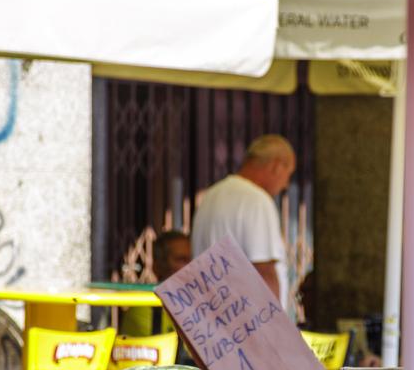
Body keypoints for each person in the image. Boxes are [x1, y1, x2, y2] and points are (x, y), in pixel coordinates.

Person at [192, 134, 296, 306]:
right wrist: (273, 329)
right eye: (288, 174)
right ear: (277, 166)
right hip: (246, 324)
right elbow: (264, 272)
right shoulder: (257, 200)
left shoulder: (210, 196)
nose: (286, 185)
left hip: (212, 318)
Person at [120, 230, 191, 337]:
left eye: (190, 259)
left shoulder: (194, 303)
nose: (189, 267)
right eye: (181, 260)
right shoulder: (144, 308)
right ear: (159, 266)